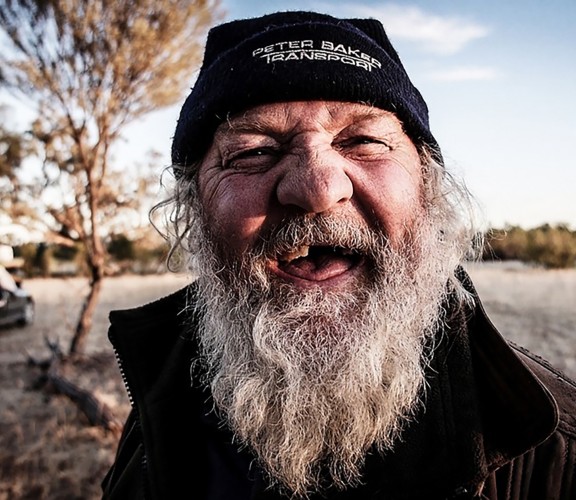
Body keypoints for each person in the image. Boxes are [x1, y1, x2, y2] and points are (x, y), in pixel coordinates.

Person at [101, 11, 576, 500]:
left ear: (429, 191)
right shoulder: (160, 407)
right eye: (253, 152)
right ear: (195, 212)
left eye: (364, 142)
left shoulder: (557, 449)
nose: (317, 187)